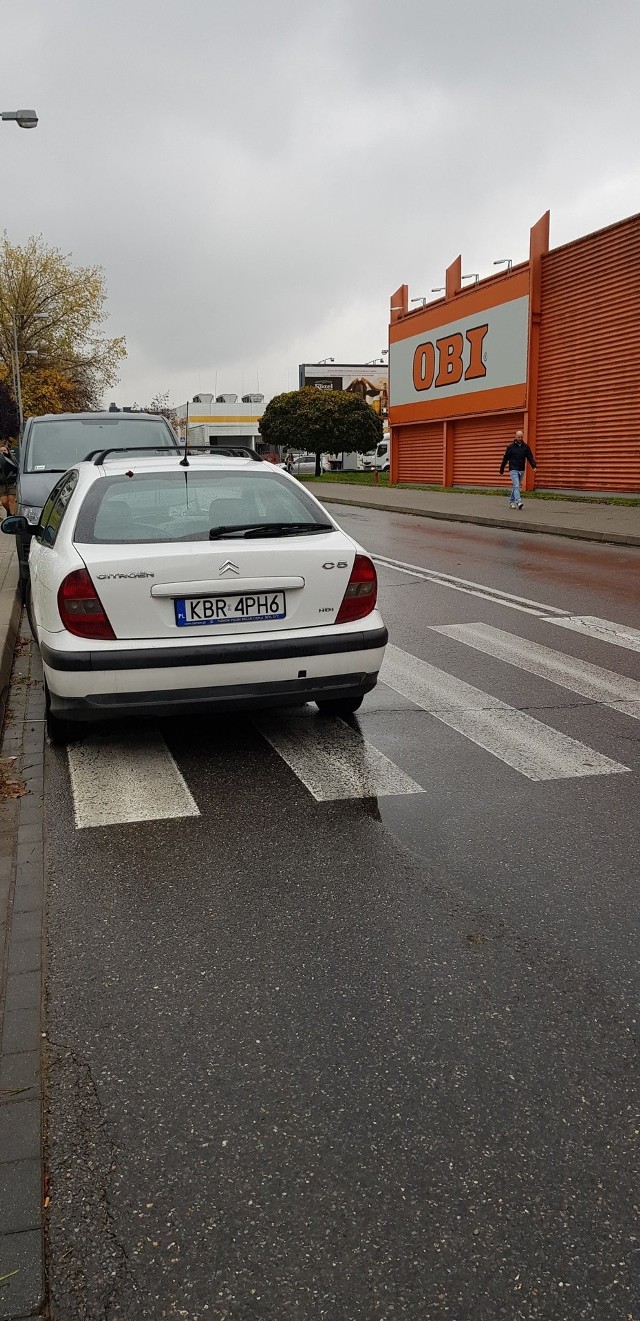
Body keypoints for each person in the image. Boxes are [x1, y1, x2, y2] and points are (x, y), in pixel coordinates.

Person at [499, 429, 537, 509]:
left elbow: (529, 457)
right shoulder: (510, 447)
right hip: (513, 469)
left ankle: (511, 501)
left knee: (515, 486)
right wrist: (502, 469)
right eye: (518, 437)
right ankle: (518, 501)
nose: (520, 438)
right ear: (515, 437)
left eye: (521, 437)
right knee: (516, 485)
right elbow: (505, 458)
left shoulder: (525, 447)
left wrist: (533, 466)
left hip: (521, 469)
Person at [0, 442, 18, 516]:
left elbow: (17, 468)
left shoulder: (12, 459)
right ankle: (9, 512)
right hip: (2, 483)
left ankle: (12, 517)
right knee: (4, 502)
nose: (3, 452)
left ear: (8, 451)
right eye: (1, 451)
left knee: (11, 501)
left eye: (4, 450)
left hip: (11, 482)